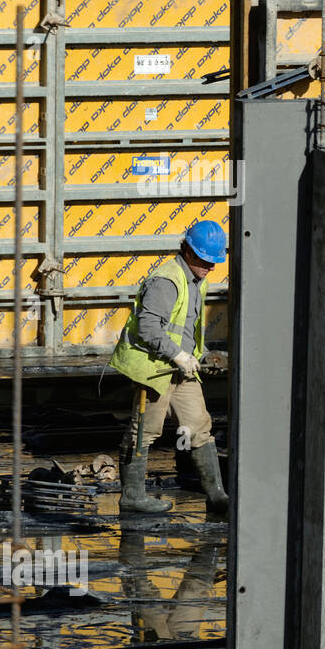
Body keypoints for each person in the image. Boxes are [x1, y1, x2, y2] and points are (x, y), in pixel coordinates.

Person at [109, 220, 229, 514]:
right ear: (187, 250)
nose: (210, 267)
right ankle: (132, 497)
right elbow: (149, 328)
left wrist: (197, 357)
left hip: (180, 369)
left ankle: (217, 497)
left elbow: (184, 328)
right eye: (204, 260)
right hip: (154, 370)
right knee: (145, 431)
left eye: (214, 262)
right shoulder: (166, 280)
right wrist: (178, 355)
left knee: (199, 428)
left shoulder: (196, 279)